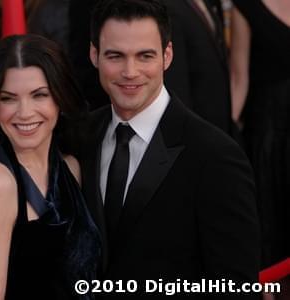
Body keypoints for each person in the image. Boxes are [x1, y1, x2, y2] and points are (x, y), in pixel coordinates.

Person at [78, 0, 260, 298]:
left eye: (145, 56)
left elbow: (236, 286)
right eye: (115, 56)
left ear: (167, 56)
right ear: (94, 55)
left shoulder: (215, 156)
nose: (130, 71)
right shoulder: (80, 136)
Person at [0, 34, 100, 300]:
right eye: (9, 98)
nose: (25, 112)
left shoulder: (71, 167)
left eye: (39, 95)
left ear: (59, 98)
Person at [230, 0, 290, 298]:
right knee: (270, 218)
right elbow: (239, 78)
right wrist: (223, 136)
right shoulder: (247, 6)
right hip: (268, 134)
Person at [163, 0, 234, 136]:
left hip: (219, 132)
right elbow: (177, 87)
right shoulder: (168, 8)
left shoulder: (207, 3)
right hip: (195, 137)